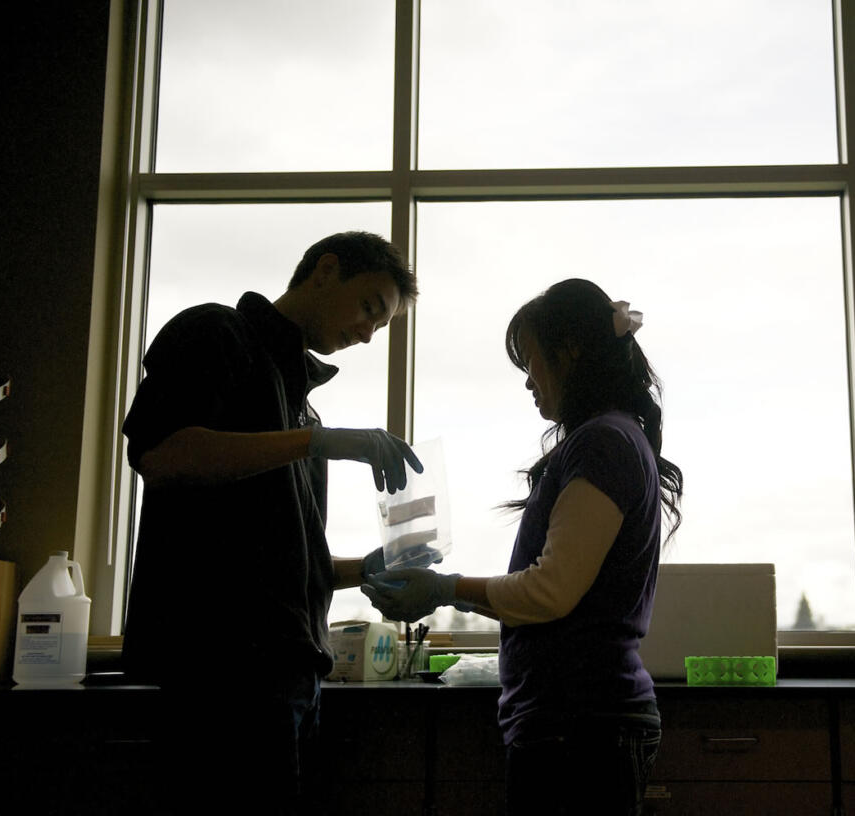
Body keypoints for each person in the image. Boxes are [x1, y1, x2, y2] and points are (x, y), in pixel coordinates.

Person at [120, 230, 424, 814]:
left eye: (379, 326)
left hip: (292, 677)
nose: (366, 333)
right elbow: (162, 458)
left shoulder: (302, 405)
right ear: (325, 270)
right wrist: (316, 443)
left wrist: (364, 571)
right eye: (368, 308)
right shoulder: (214, 333)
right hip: (221, 675)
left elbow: (273, 558)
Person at [363, 278, 684, 816]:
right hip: (576, 725)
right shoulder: (608, 438)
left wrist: (445, 590)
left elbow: (550, 591)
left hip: (581, 729)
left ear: (570, 353)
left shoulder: (602, 443)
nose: (529, 381)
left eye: (532, 361)